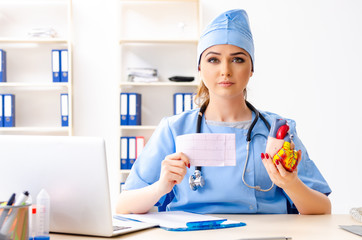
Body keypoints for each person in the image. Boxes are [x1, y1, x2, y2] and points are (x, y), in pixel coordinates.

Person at [116, 9, 331, 215]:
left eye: (238, 59)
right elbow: (123, 205)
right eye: (213, 59)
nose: (225, 70)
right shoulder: (174, 128)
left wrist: (291, 184)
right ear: (199, 68)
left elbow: (323, 208)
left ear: (252, 68)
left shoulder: (278, 130)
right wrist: (160, 188)